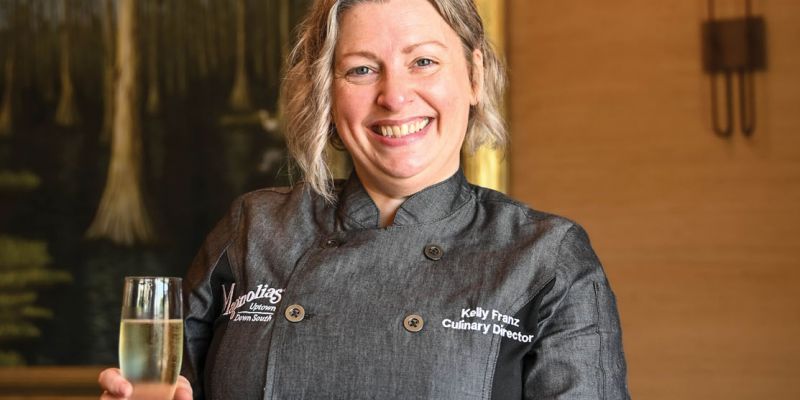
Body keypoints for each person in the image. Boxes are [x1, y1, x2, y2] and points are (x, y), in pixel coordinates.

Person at [100, 0, 630, 398]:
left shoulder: (546, 258)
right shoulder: (252, 229)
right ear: (326, 94)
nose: (394, 96)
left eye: (423, 61)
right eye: (361, 69)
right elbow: (167, 388)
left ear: (474, 75)